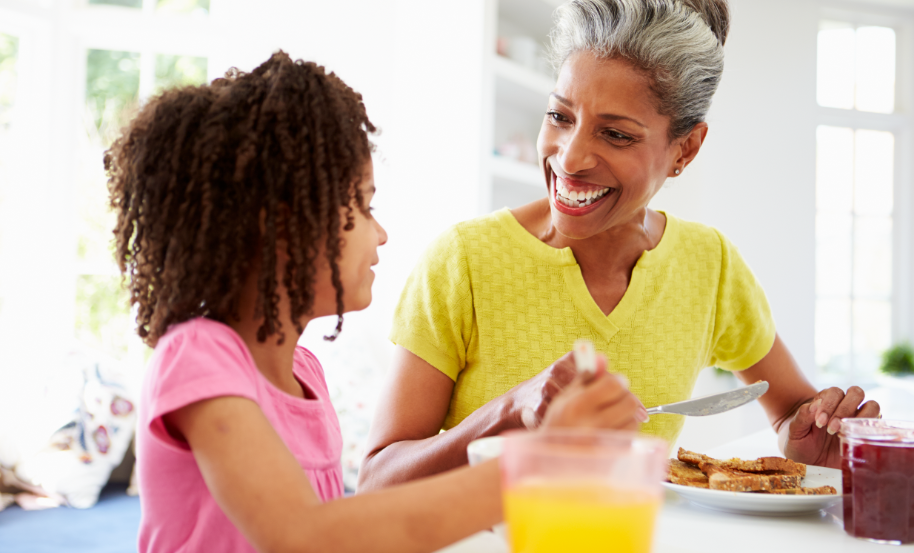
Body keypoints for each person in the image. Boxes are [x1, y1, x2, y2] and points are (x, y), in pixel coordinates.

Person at [358, 0, 881, 492]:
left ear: (685, 149)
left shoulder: (709, 264)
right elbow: (379, 479)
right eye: (560, 117)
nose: (571, 157)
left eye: (614, 134)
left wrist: (804, 440)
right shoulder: (465, 261)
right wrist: (510, 413)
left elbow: (792, 411)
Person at [108, 52, 641, 553]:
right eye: (362, 205)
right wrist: (541, 463)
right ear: (281, 227)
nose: (380, 233)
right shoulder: (198, 356)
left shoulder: (305, 373)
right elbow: (302, 536)